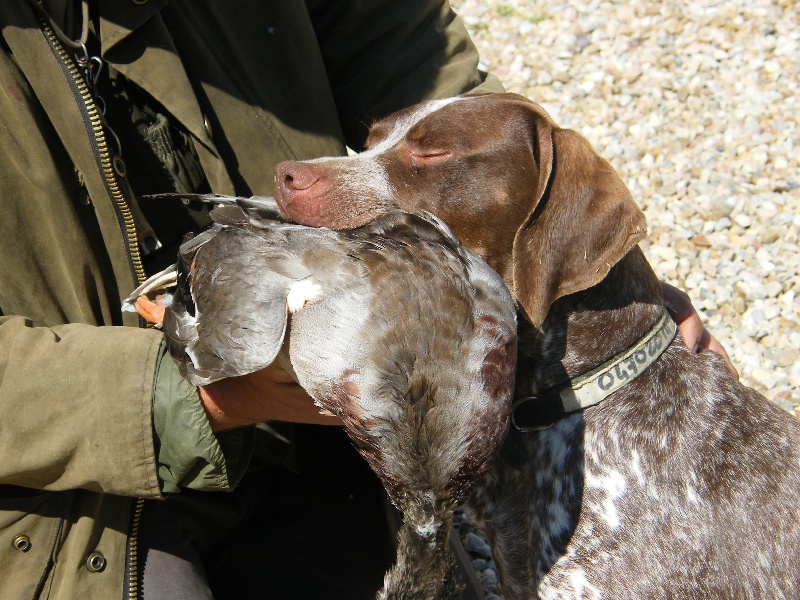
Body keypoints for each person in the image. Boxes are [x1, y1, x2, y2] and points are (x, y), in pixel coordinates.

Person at [0, 1, 735, 598]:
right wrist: (207, 396)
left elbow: (425, 73)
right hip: (74, 497)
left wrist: (592, 262)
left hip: (328, 425)